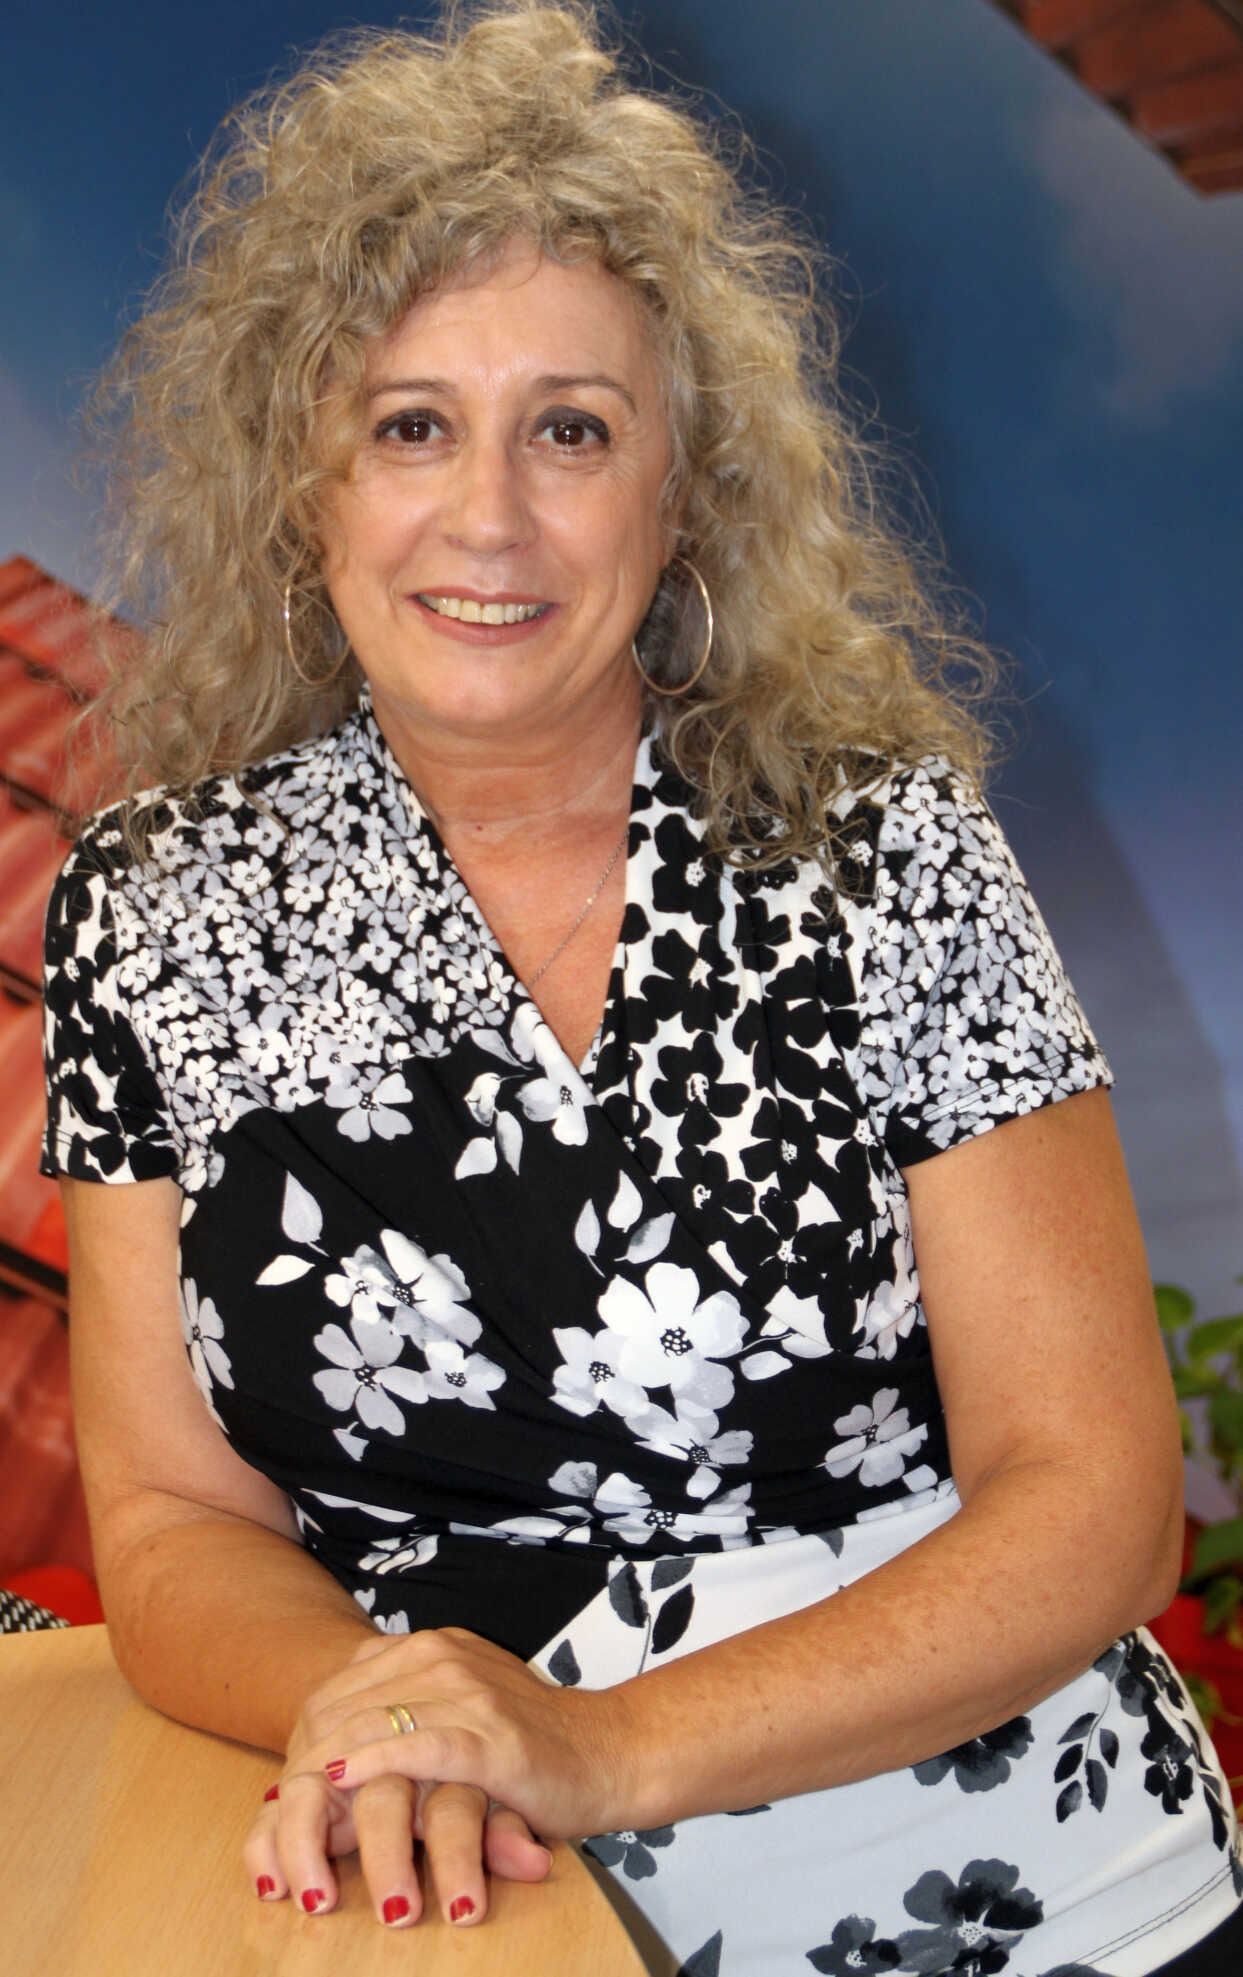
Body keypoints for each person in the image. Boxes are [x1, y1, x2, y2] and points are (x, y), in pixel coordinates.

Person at [41, 5, 1243, 1972]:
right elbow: (175, 1523)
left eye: (572, 429)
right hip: (469, 1915)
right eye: (409, 422)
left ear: (680, 489)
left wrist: (589, 1744)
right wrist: (390, 1711)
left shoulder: (878, 844)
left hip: (1033, 1894)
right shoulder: (155, 912)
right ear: (303, 482)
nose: (490, 516)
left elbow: (1093, 1502)